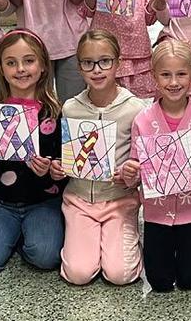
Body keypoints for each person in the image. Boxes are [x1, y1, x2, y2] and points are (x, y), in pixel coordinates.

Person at [0, 29, 65, 276]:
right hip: (2, 202)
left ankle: (19, 237)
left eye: (28, 61)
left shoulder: (55, 114)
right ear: (1, 69)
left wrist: (52, 170)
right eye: (11, 63)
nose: (20, 69)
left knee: (46, 257)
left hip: (44, 202)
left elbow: (66, 169)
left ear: (42, 66)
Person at [122, 40, 191, 292]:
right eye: (166, 75)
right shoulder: (142, 120)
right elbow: (135, 162)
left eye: (181, 74)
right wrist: (131, 171)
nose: (174, 82)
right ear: (154, 77)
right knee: (160, 282)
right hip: (156, 212)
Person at [52, 30, 146, 286]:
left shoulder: (135, 109)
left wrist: (132, 174)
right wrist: (57, 168)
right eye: (88, 63)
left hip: (119, 200)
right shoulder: (71, 108)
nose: (97, 69)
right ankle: (85, 237)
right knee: (78, 274)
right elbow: (64, 156)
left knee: (120, 275)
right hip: (79, 200)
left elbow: (144, 163)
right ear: (80, 67)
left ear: (118, 63)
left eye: (105, 61)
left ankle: (123, 235)